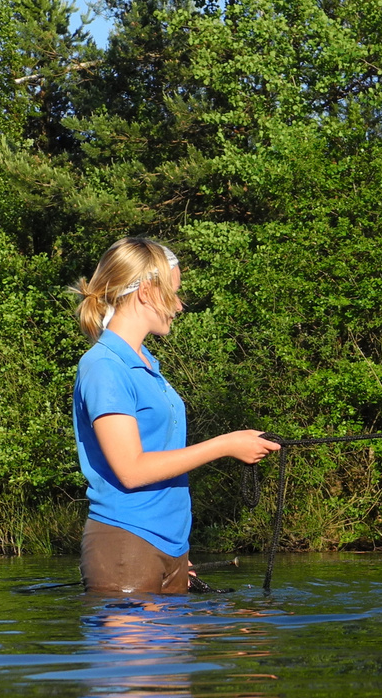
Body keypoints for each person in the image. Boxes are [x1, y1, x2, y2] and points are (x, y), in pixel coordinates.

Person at [71, 237, 279, 593]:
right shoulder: (105, 366)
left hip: (170, 548)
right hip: (125, 543)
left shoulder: (147, 364)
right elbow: (132, 470)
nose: (180, 306)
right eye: (174, 293)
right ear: (147, 291)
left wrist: (174, 555)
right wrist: (227, 445)